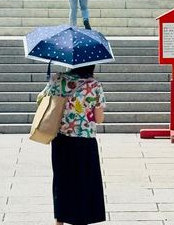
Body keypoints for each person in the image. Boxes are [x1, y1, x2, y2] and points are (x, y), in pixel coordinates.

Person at [38, 64, 106, 225]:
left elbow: (41, 99)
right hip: (85, 139)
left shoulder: (57, 78)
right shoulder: (94, 85)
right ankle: (81, 219)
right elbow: (99, 119)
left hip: (61, 137)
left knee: (62, 178)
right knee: (84, 179)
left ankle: (59, 220)